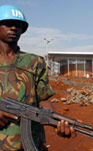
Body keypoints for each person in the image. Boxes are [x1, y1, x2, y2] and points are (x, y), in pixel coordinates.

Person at [0, 4, 76, 150]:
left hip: (32, 144)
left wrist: (58, 121)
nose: (14, 28)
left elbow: (43, 100)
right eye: (8, 24)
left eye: (18, 25)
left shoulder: (35, 62)